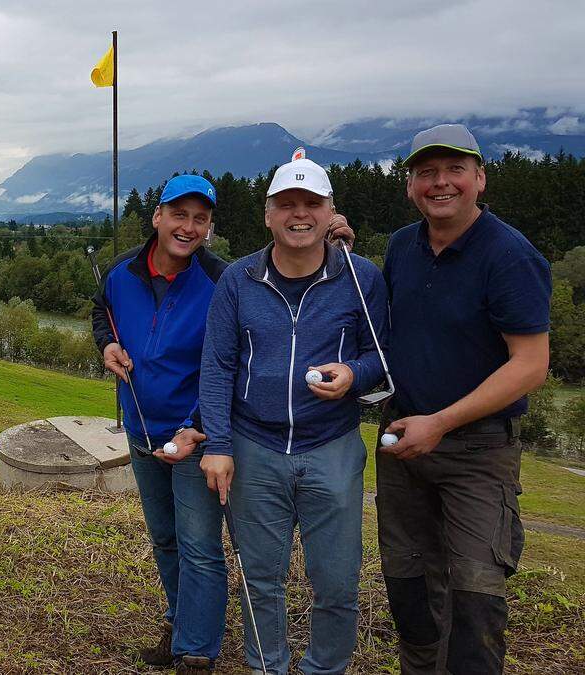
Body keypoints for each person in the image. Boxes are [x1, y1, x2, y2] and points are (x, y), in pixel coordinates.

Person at [92, 173, 355, 673]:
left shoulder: (223, 279)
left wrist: (330, 233)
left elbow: (228, 364)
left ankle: (197, 650)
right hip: (141, 428)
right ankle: (180, 623)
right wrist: (105, 343)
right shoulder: (118, 272)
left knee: (199, 546)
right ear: (157, 217)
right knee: (165, 539)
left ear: (210, 226)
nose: (188, 227)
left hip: (198, 434)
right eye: (179, 215)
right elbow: (101, 314)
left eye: (200, 218)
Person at [198, 156, 386, 674]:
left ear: (330, 213)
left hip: (332, 444)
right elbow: (216, 366)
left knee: (338, 580)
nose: (298, 215)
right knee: (260, 577)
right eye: (286, 205)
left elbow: (380, 356)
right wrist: (217, 445)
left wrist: (353, 373)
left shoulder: (360, 276)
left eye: (311, 204)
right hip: (254, 445)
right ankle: (267, 667)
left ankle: (325, 668)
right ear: (267, 214)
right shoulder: (239, 279)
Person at [375, 124, 551, 674]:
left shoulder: (508, 255)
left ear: (479, 179)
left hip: (477, 454)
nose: (440, 183)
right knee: (408, 591)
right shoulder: (403, 247)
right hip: (403, 446)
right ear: (410, 186)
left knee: (475, 601)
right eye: (426, 173)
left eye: (454, 170)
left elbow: (531, 365)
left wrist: (442, 422)